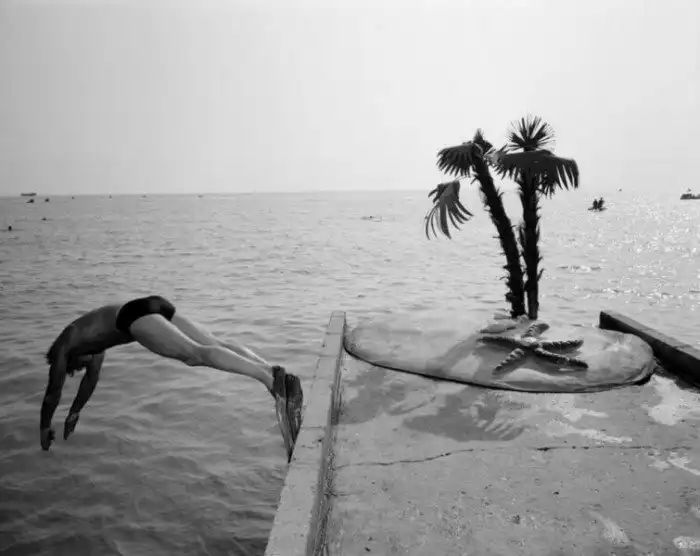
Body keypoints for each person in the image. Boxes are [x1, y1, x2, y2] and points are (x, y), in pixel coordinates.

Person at [40, 295, 303, 460]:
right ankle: (273, 371)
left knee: (195, 354)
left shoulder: (66, 343)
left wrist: (44, 427)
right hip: (150, 304)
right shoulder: (89, 341)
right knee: (213, 343)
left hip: (133, 317)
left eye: (74, 368)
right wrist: (74, 413)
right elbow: (91, 381)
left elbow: (53, 391)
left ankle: (271, 381)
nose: (82, 367)